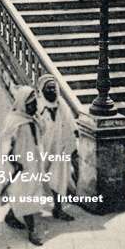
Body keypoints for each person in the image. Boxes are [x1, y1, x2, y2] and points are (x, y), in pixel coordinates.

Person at [0, 86, 45, 246]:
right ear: (23, 104)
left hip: (33, 164)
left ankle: (11, 217)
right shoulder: (15, 122)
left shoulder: (31, 119)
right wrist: (14, 163)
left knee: (28, 195)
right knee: (25, 197)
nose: (35, 107)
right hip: (19, 167)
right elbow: (5, 147)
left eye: (35, 103)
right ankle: (32, 231)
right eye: (31, 104)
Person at [36, 74, 78, 221]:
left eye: (54, 88)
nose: (52, 91)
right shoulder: (37, 107)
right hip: (41, 149)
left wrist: (71, 145)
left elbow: (71, 125)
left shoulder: (61, 106)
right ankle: (22, 211)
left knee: (59, 179)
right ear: (42, 90)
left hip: (59, 149)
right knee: (34, 180)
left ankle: (58, 209)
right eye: (48, 88)